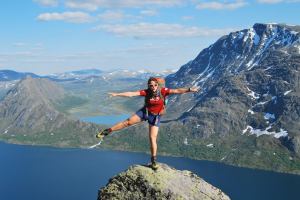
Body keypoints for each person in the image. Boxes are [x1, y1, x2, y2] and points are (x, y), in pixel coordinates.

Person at [96, 77, 199, 170]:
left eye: (155, 85)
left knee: (152, 138)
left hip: (156, 117)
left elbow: (177, 91)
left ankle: (153, 161)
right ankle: (107, 131)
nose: (153, 87)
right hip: (145, 112)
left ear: (157, 85)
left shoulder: (163, 91)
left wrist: (189, 89)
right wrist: (117, 94)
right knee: (127, 122)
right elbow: (132, 94)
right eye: (151, 85)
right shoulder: (146, 92)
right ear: (148, 86)